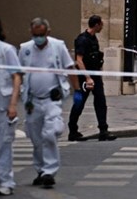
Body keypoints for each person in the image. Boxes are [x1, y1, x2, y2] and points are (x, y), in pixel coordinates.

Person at [18, 18, 81, 189]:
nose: (38, 38)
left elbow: (69, 68)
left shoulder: (57, 46)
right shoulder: (25, 49)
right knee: (36, 137)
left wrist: (77, 91)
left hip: (52, 99)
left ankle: (49, 171)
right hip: (32, 100)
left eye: (41, 34)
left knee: (50, 134)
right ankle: (40, 170)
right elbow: (19, 74)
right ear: (31, 33)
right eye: (35, 35)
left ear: (48, 32)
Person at [67, 15, 116, 142]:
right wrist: (87, 78)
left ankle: (103, 130)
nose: (102, 27)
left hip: (95, 75)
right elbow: (79, 60)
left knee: (100, 102)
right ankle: (72, 130)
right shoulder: (82, 39)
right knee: (79, 103)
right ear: (96, 25)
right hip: (85, 76)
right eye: (101, 25)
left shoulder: (94, 38)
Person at [0, 15, 22, 196]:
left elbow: (16, 76)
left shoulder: (6, 51)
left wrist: (13, 104)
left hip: (0, 103)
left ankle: (6, 181)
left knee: (4, 143)